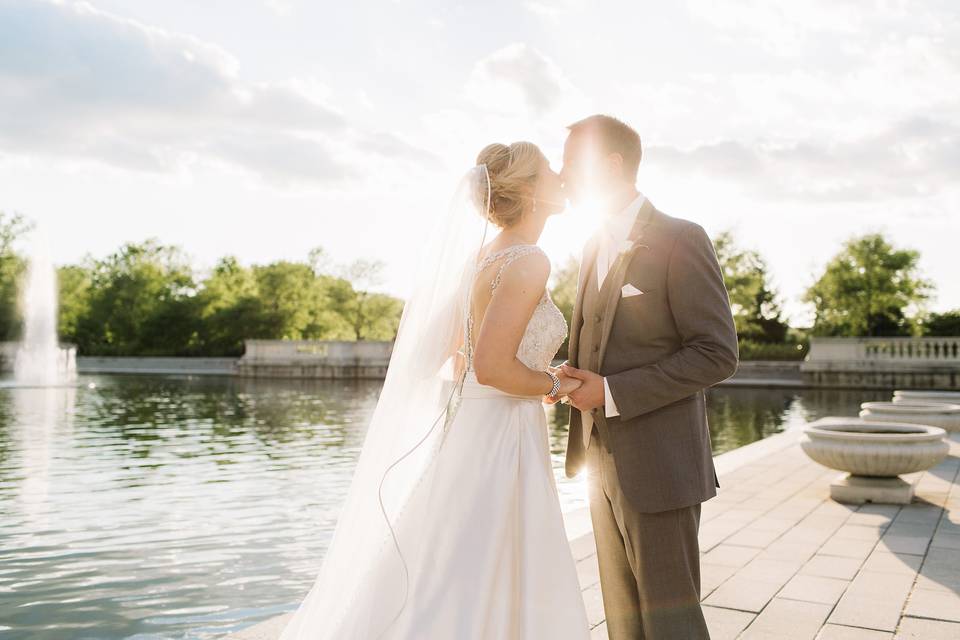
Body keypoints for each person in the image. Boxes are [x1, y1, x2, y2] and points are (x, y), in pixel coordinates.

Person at [278, 141, 590, 639]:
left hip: (474, 426)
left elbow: (447, 354)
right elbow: (491, 368)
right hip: (500, 434)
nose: (561, 176)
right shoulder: (530, 260)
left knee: (454, 557)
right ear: (530, 191)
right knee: (484, 556)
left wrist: (535, 373)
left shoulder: (483, 257)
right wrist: (554, 383)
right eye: (550, 170)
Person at [553, 114, 739, 640]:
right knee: (623, 622)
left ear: (611, 164)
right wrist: (569, 376)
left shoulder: (682, 238)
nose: (563, 173)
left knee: (671, 623)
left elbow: (716, 353)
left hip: (660, 468)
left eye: (572, 162)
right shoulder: (591, 245)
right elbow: (601, 344)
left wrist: (610, 392)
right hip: (598, 463)